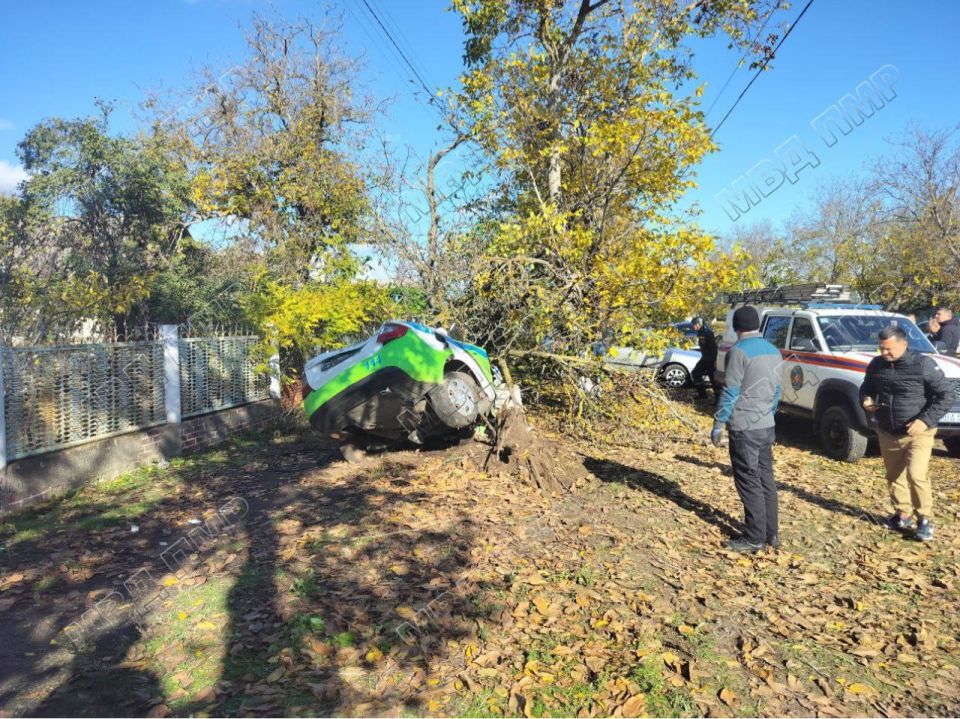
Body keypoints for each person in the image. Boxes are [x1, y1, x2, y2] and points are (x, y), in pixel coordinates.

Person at [860, 325, 954, 541]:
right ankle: (902, 514)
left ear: (904, 345)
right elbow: (867, 388)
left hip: (918, 432)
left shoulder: (923, 364)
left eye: (889, 349)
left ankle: (925, 520)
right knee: (894, 476)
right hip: (888, 430)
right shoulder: (876, 365)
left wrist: (924, 420)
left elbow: (946, 396)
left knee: (916, 475)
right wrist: (865, 400)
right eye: (881, 348)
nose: (884, 353)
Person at [711, 306, 783, 553]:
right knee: (766, 479)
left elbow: (730, 391)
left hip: (744, 427)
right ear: (758, 325)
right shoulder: (774, 351)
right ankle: (771, 534)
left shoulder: (738, 352)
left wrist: (719, 423)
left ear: (736, 327)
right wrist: (768, 413)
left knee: (748, 480)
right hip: (766, 425)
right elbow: (776, 391)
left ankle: (754, 537)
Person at [690, 316, 720, 402]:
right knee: (695, 373)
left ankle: (718, 399)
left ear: (699, 324)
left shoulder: (708, 333)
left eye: (694, 325)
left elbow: (714, 348)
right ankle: (702, 395)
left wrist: (715, 361)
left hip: (711, 359)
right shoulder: (700, 332)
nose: (693, 327)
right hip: (704, 358)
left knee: (713, 379)